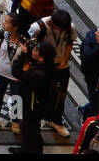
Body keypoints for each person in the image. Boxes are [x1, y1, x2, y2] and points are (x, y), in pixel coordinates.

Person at [30, 9, 75, 137]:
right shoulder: (38, 27)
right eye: (59, 29)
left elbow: (69, 43)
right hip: (43, 66)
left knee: (60, 95)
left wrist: (65, 59)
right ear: (51, 23)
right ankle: (36, 120)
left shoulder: (69, 27)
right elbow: (31, 45)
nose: (61, 32)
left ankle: (56, 120)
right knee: (39, 94)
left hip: (61, 65)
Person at [11, 40, 57, 154]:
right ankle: (25, 149)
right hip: (35, 105)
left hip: (32, 109)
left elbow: (16, 72)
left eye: (36, 50)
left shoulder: (38, 75)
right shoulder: (48, 67)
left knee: (31, 132)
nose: (33, 50)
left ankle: (32, 150)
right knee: (29, 131)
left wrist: (23, 54)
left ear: (41, 58)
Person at [0, 12, 26, 132]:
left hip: (16, 75)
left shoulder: (23, 39)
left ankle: (15, 121)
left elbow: (28, 58)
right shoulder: (1, 35)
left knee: (17, 97)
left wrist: (25, 70)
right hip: (0, 72)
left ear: (15, 26)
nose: (4, 23)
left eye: (7, 22)